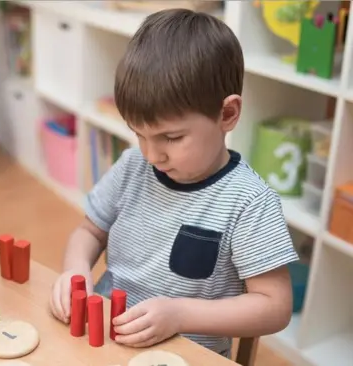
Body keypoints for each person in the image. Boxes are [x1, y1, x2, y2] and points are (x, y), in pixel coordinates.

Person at [49, 8, 298, 358]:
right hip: (105, 338)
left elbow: (274, 306)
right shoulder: (133, 165)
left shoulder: (249, 203)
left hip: (186, 354)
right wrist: (75, 273)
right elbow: (89, 231)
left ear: (227, 114)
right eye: (139, 134)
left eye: (171, 137)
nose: (152, 155)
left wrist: (180, 315)